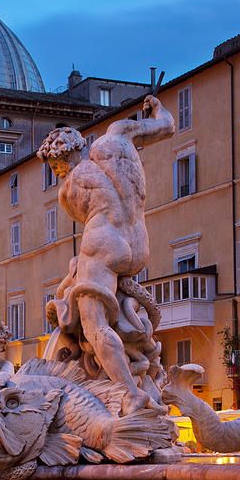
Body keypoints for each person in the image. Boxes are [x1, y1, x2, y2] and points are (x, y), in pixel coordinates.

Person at [37, 94, 174, 413]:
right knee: (78, 283)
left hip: (102, 242)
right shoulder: (116, 138)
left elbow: (88, 221)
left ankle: (130, 392)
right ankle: (135, 383)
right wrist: (155, 109)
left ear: (57, 163)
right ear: (80, 145)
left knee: (94, 325)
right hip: (137, 242)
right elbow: (166, 125)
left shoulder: (67, 190)